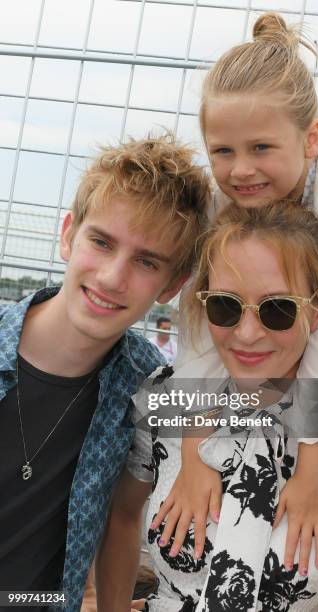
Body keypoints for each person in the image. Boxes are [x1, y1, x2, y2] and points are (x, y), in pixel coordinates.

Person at [151, 10, 318, 575]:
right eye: (222, 151)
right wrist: (193, 450)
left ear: (311, 139)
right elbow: (199, 326)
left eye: (261, 147)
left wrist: (312, 470)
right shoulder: (217, 197)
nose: (239, 171)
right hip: (251, 372)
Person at [126, 202, 318, 611]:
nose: (247, 334)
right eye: (225, 306)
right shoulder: (167, 400)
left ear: (315, 312)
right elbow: (116, 520)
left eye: (278, 309)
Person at [0, 133, 210, 612]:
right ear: (68, 234)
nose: (113, 278)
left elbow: (264, 410)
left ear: (172, 284)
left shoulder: (149, 383)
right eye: (101, 242)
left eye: (146, 261)